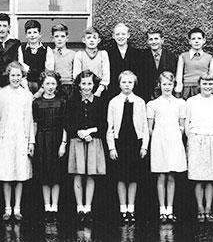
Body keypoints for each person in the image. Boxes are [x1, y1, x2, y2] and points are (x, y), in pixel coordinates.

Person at [0, 61, 35, 221]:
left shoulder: (27, 95)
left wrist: (31, 141)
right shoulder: (0, 94)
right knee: (6, 172)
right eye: (13, 75)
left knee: (20, 172)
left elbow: (30, 119)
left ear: (22, 76)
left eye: (18, 75)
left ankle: (17, 208)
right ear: (8, 76)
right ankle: (7, 208)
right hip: (5, 136)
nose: (15, 78)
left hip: (21, 136)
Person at [106, 70, 149, 223]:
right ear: (119, 84)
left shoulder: (140, 102)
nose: (127, 85)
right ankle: (122, 208)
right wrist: (112, 147)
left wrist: (144, 146)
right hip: (120, 142)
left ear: (134, 84)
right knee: (121, 178)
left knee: (133, 178)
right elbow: (110, 127)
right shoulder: (113, 102)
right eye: (124, 82)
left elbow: (144, 126)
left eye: (130, 82)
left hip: (134, 142)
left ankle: (131, 208)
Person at [65, 70, 107, 223]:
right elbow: (67, 122)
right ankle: (79, 208)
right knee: (78, 173)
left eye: (89, 83)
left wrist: (91, 131)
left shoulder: (99, 102)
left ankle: (88, 208)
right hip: (77, 141)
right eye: (84, 84)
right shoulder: (72, 102)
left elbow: (104, 124)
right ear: (78, 85)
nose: (87, 87)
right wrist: (79, 132)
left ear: (94, 85)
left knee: (90, 174)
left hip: (93, 141)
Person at [146, 71, 187, 223]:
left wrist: (175, 138)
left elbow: (182, 126)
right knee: (161, 175)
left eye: (170, 84)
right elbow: (150, 128)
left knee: (171, 176)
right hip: (159, 140)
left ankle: (170, 210)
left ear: (174, 85)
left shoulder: (180, 103)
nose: (167, 87)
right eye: (164, 84)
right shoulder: (153, 104)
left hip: (174, 140)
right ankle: (162, 210)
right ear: (159, 85)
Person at [185, 73, 213, 223]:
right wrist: (191, 139)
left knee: (210, 178)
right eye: (204, 84)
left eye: (210, 84)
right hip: (196, 138)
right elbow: (188, 122)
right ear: (199, 85)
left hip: (212, 139)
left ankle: (209, 208)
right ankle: (199, 208)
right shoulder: (191, 101)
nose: (207, 87)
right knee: (198, 177)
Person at [32, 70, 67, 222]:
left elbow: (65, 125)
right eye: (47, 83)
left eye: (53, 83)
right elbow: (34, 124)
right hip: (42, 138)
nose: (50, 86)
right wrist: (32, 143)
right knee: (45, 173)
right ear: (42, 85)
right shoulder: (37, 103)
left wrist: (63, 144)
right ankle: (47, 207)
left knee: (56, 174)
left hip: (57, 138)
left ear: (57, 85)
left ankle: (55, 206)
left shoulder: (62, 101)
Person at [175, 27, 213, 100]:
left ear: (204, 40)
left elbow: (212, 74)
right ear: (189, 41)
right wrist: (178, 88)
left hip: (203, 88)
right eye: (193, 39)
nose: (196, 41)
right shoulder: (183, 56)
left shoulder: (209, 57)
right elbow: (179, 75)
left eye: (199, 38)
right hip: (187, 89)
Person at [106, 23, 142, 99]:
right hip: (113, 92)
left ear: (128, 35)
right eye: (117, 34)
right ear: (113, 36)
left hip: (133, 92)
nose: (120, 37)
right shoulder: (108, 53)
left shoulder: (137, 53)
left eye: (123, 34)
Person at [140, 29, 177, 101]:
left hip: (165, 95)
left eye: (156, 39)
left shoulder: (170, 56)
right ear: (147, 41)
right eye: (151, 39)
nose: (153, 42)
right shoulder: (142, 56)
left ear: (162, 40)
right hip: (147, 95)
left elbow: (173, 75)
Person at [72, 26, 110, 98]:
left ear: (98, 40)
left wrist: (99, 90)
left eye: (94, 38)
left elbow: (106, 75)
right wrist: (83, 90)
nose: (91, 40)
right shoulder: (79, 54)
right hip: (83, 89)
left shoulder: (103, 54)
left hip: (99, 90)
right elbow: (76, 75)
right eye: (89, 38)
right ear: (83, 40)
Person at [45, 23, 76, 99]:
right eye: (56, 36)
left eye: (62, 36)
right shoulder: (49, 53)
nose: (59, 39)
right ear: (52, 38)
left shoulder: (73, 54)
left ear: (67, 38)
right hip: (53, 86)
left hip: (69, 87)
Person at [21, 20, 51, 95]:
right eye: (29, 33)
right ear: (25, 35)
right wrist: (27, 90)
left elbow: (49, 71)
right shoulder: (21, 49)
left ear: (40, 34)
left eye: (35, 32)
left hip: (42, 86)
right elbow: (20, 70)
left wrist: (41, 91)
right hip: (25, 86)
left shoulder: (46, 50)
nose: (32, 35)